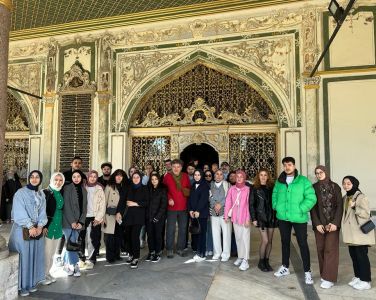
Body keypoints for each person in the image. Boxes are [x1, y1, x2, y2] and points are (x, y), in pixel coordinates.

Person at [272, 157, 317, 284]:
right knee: (285, 242)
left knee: (302, 243)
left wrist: (301, 209)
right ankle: (285, 267)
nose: (287, 167)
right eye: (285, 165)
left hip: (299, 218)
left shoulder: (303, 181)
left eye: (290, 165)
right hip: (283, 218)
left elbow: (311, 198)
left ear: (294, 165)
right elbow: (274, 194)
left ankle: (307, 271)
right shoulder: (279, 181)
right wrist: (276, 206)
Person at [8, 170, 47, 297]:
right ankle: (22, 286)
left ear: (40, 179)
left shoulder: (40, 194)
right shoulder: (20, 193)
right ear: (29, 178)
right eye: (32, 177)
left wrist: (40, 226)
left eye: (37, 177)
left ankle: (31, 283)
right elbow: (19, 212)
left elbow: (42, 212)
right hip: (22, 230)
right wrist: (30, 226)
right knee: (24, 257)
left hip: (36, 231)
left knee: (33, 256)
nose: (34, 179)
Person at [310, 166, 343, 289]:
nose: (319, 175)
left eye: (321, 172)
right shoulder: (314, 188)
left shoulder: (335, 187)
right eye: (316, 173)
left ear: (326, 172)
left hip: (333, 225)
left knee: (330, 249)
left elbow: (340, 206)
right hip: (319, 225)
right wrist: (317, 223)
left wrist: (335, 223)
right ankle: (325, 274)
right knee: (320, 248)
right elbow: (312, 208)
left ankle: (330, 278)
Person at [341, 176, 375, 290]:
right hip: (351, 233)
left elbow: (366, 213)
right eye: (344, 183)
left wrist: (355, 207)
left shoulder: (360, 197)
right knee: (354, 256)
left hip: (359, 233)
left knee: (362, 257)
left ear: (354, 184)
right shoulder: (346, 197)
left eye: (348, 183)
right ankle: (358, 277)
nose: (346, 185)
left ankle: (366, 281)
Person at [250, 168, 277, 272]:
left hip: (271, 216)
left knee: (270, 241)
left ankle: (267, 261)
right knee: (265, 240)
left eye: (265, 175)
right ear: (258, 176)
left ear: (268, 176)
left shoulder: (272, 187)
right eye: (261, 175)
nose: (263, 177)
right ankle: (261, 262)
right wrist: (254, 218)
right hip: (261, 217)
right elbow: (251, 204)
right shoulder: (254, 188)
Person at [163, 159, 191, 258]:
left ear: (181, 168)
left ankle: (180, 249)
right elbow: (163, 191)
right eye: (174, 166)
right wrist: (169, 198)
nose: (176, 168)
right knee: (170, 229)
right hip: (171, 207)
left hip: (183, 207)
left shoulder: (185, 176)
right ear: (171, 167)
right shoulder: (167, 177)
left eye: (178, 167)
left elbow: (189, 189)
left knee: (183, 229)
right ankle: (169, 249)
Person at [224, 170, 251, 271]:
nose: (239, 178)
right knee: (238, 238)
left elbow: (249, 205)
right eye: (237, 176)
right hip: (235, 218)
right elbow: (228, 202)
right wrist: (226, 216)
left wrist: (248, 219)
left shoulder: (247, 189)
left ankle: (246, 260)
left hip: (244, 218)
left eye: (241, 176)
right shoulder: (232, 189)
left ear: (244, 178)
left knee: (245, 239)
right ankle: (240, 256)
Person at [62, 170, 87, 277]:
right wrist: (72, 221)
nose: (76, 178)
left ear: (81, 178)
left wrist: (81, 221)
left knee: (72, 243)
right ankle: (75, 265)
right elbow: (66, 206)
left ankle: (66, 264)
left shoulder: (84, 189)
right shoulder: (67, 188)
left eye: (78, 176)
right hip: (68, 222)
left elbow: (85, 207)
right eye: (74, 177)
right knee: (72, 242)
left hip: (79, 223)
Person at [79, 170, 106, 269]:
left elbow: (103, 205)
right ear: (88, 177)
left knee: (92, 239)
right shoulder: (83, 187)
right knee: (80, 238)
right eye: (91, 176)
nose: (93, 178)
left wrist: (98, 218)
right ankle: (81, 258)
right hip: (82, 217)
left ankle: (91, 259)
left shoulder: (99, 188)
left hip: (94, 217)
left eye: (95, 176)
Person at [43, 172, 65, 285]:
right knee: (46, 253)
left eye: (60, 180)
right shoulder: (45, 192)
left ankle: (48, 273)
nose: (58, 182)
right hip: (49, 226)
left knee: (51, 253)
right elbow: (41, 211)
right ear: (52, 180)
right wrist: (43, 226)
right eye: (56, 179)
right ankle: (42, 276)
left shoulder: (61, 192)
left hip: (58, 226)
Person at [123, 171, 149, 269]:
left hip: (138, 217)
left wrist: (135, 204)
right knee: (128, 236)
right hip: (128, 216)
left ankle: (136, 257)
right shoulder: (129, 188)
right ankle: (130, 254)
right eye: (134, 177)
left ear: (141, 178)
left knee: (134, 236)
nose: (136, 179)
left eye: (138, 177)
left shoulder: (144, 189)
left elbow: (147, 202)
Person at [102, 169, 127, 263]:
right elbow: (104, 202)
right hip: (109, 215)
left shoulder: (124, 187)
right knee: (109, 238)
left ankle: (117, 255)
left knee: (118, 236)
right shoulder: (109, 186)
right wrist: (103, 217)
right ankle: (110, 256)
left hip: (120, 215)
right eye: (117, 175)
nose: (119, 177)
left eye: (121, 175)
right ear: (114, 176)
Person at [188, 170, 210, 262]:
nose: (196, 176)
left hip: (202, 214)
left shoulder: (205, 186)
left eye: (198, 175)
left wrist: (198, 211)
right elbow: (190, 199)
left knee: (202, 234)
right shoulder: (193, 185)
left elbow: (203, 200)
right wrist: (190, 210)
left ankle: (202, 254)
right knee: (196, 233)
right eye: (195, 175)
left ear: (201, 176)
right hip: (194, 214)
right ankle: (198, 252)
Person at [145, 174, 167, 263]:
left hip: (159, 217)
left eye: (156, 179)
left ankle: (158, 253)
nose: (154, 181)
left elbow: (163, 205)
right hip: (148, 217)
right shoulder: (148, 189)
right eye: (152, 179)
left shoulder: (162, 190)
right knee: (150, 235)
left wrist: (157, 217)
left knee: (158, 235)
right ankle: (151, 251)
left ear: (159, 180)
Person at [210, 169, 231, 261]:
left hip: (224, 213)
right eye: (217, 174)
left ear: (223, 176)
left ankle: (225, 254)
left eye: (220, 174)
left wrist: (220, 204)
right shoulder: (211, 185)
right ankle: (217, 253)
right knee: (215, 234)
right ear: (214, 176)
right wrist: (214, 205)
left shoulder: (227, 185)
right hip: (214, 213)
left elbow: (229, 197)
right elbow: (209, 197)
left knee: (226, 234)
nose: (218, 176)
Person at [204, 169, 214, 256]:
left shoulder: (214, 185)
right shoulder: (202, 184)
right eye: (206, 175)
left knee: (211, 230)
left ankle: (211, 248)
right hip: (204, 210)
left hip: (213, 211)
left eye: (209, 175)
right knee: (205, 231)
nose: (208, 177)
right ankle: (206, 248)